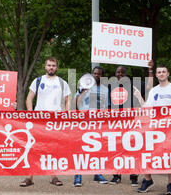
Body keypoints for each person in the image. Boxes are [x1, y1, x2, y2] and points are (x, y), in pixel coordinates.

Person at [19, 57, 71, 187]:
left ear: (57, 67)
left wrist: (66, 114)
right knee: (33, 147)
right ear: (45, 66)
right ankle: (29, 177)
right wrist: (31, 114)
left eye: (53, 65)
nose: (51, 67)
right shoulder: (38, 81)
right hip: (39, 120)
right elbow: (29, 98)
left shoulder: (62, 82)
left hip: (55, 121)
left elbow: (67, 100)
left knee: (53, 148)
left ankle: (53, 176)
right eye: (49, 65)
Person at [134, 65, 171, 195]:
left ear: (168, 73)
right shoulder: (154, 91)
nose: (161, 74)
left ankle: (170, 184)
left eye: (163, 72)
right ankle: (147, 179)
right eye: (159, 72)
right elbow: (147, 108)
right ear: (156, 75)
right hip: (155, 128)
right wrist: (139, 97)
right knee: (147, 151)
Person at [108, 61, 154, 186]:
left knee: (133, 148)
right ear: (115, 74)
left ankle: (134, 176)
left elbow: (150, 86)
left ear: (126, 74)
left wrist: (150, 70)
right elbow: (108, 107)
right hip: (118, 123)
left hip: (134, 122)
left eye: (123, 72)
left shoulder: (135, 85)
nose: (120, 74)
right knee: (117, 148)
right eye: (118, 72)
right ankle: (116, 175)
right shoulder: (112, 87)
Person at [73, 66, 109, 186]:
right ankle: (78, 175)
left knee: (97, 149)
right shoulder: (83, 86)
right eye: (94, 73)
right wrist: (83, 91)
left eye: (99, 74)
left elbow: (106, 107)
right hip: (84, 122)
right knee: (80, 148)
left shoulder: (105, 90)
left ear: (102, 76)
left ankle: (97, 173)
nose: (96, 75)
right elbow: (76, 105)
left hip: (98, 123)